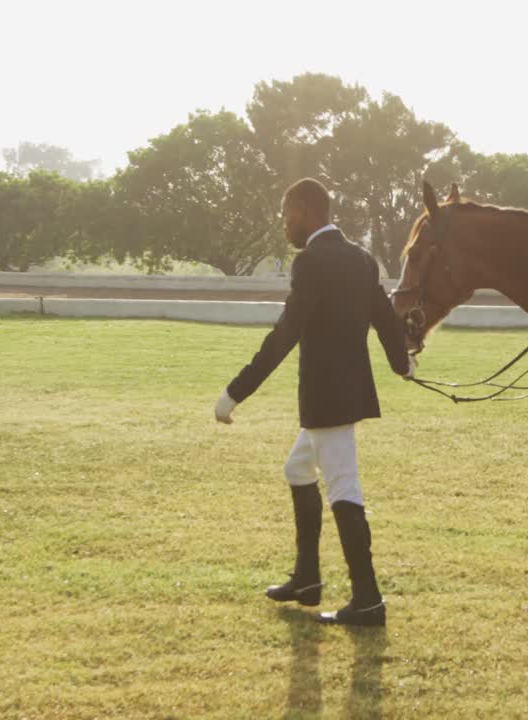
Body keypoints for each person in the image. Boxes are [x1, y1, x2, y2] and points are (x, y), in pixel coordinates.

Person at [214, 177, 413, 627]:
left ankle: (368, 600)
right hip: (348, 394)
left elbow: (286, 334)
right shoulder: (363, 259)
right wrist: (402, 364)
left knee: (344, 487)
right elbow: (385, 320)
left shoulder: (311, 262)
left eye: (287, 215)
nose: (285, 224)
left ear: (306, 210)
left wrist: (235, 392)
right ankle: (307, 580)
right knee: (297, 469)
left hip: (326, 397)